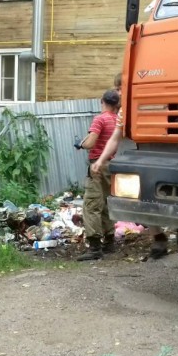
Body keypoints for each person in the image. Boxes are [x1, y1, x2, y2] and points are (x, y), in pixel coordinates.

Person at [91, 74, 169, 259]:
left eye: (120, 89)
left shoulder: (153, 103)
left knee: (156, 198)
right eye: (117, 89)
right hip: (138, 158)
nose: (118, 93)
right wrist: (101, 160)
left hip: (158, 156)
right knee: (140, 200)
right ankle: (159, 237)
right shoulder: (123, 112)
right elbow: (115, 138)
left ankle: (164, 236)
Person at [75, 88, 121, 261]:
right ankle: (109, 243)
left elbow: (91, 142)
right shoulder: (117, 120)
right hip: (112, 165)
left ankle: (95, 247)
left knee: (92, 204)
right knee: (108, 203)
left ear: (102, 101)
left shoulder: (100, 119)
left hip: (98, 165)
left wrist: (80, 144)